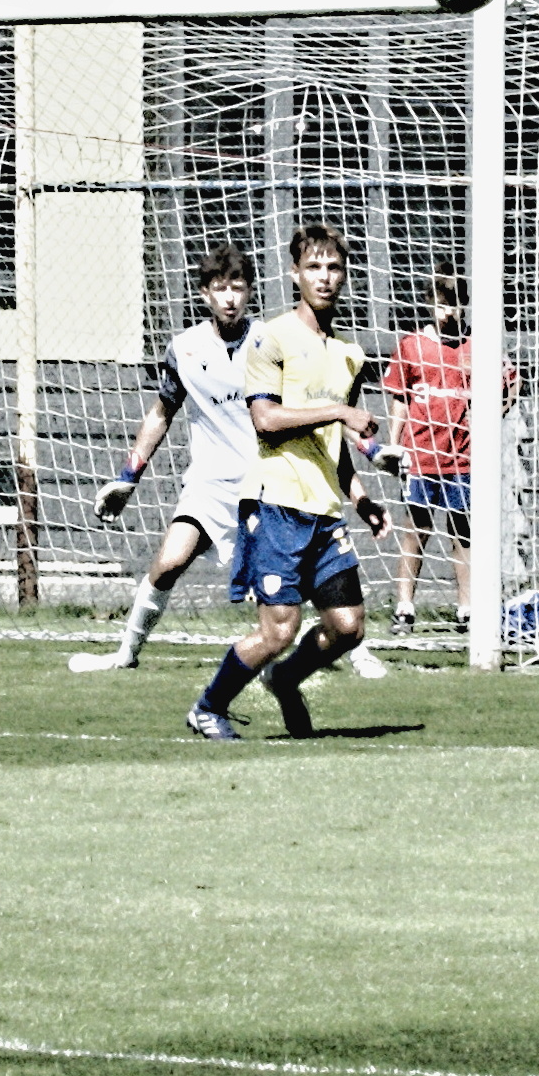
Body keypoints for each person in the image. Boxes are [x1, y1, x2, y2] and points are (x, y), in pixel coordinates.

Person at [185, 223, 395, 741]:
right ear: (294, 273)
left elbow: (333, 444)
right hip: (275, 504)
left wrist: (361, 499)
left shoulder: (350, 354)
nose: (325, 277)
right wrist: (341, 411)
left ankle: (285, 679)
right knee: (278, 630)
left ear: (345, 275)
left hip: (324, 509)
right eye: (313, 267)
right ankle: (209, 707)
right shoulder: (270, 337)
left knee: (348, 627)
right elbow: (267, 420)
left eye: (334, 267)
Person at [74, 244, 288, 670]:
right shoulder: (185, 349)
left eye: (238, 288)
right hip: (209, 486)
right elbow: (161, 414)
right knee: (169, 562)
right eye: (220, 288)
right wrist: (128, 476)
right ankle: (125, 655)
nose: (229, 298)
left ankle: (352, 645)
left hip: (264, 484)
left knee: (289, 581)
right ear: (204, 294)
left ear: (250, 292)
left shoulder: (270, 342)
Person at [380, 264, 519, 636]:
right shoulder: (412, 346)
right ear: (430, 304)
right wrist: (393, 444)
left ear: (464, 305)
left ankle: (467, 609)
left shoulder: (477, 345)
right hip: (422, 453)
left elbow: (511, 382)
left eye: (454, 304)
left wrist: (491, 416)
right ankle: (404, 607)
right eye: (441, 304)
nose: (447, 312)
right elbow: (400, 399)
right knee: (417, 528)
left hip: (463, 455)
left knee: (462, 531)